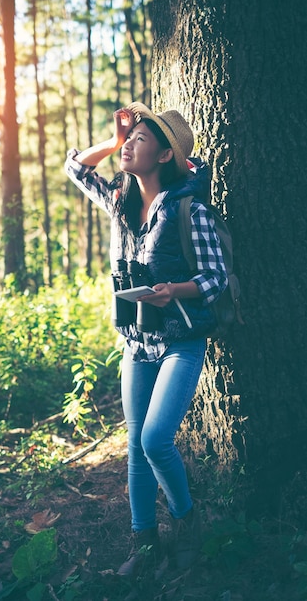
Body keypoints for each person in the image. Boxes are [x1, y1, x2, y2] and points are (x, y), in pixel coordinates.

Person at [64, 102, 227, 577]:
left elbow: (215, 276)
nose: (130, 144)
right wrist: (114, 140)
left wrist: (174, 290)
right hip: (136, 342)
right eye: (128, 139)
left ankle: (187, 523)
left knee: (156, 439)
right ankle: (145, 543)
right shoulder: (120, 200)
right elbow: (76, 168)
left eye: (140, 139)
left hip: (180, 340)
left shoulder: (186, 207)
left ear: (162, 155)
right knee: (135, 444)